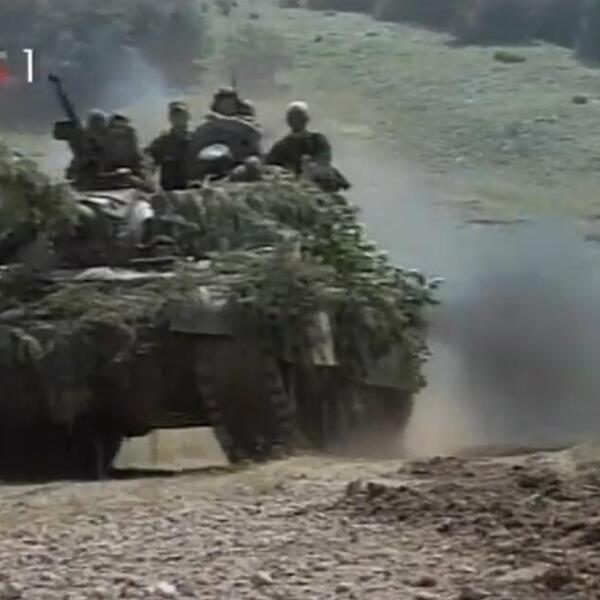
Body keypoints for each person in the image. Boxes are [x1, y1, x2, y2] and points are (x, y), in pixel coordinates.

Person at [265, 101, 332, 176]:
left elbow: (324, 160)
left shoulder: (317, 140)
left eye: (299, 117)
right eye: (293, 118)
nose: (296, 121)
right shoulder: (280, 146)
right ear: (288, 121)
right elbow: (270, 166)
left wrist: (312, 167)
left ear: (306, 119)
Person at [145, 101, 194, 191]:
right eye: (175, 116)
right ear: (170, 119)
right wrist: (148, 180)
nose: (178, 118)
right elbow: (149, 162)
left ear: (188, 117)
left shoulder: (197, 139)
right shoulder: (162, 142)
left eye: (182, 115)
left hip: (196, 191)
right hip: (171, 193)